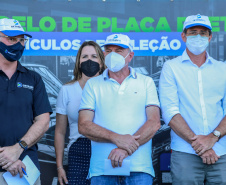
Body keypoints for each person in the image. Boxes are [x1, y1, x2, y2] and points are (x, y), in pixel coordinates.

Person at [78, 34, 161, 185]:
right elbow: (84, 125)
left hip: (139, 169)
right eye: (108, 50)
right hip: (102, 169)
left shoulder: (146, 82)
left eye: (119, 50)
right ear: (103, 55)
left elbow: (154, 122)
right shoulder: (93, 85)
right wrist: (117, 138)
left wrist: (124, 149)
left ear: (130, 56)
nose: (113, 54)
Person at [159, 14, 226, 185]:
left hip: (221, 151)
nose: (198, 37)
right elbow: (170, 111)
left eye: (203, 33)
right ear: (183, 36)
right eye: (193, 32)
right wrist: (199, 144)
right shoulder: (171, 68)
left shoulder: (222, 69)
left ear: (210, 37)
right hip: (185, 153)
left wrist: (213, 138)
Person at [0, 18, 52, 185]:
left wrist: (17, 149)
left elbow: (43, 121)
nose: (19, 44)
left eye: (22, 40)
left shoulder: (34, 78)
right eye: (12, 39)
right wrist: (6, 159)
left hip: (26, 169)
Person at [54, 41, 106, 185]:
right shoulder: (67, 90)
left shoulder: (110, 88)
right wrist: (59, 167)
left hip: (105, 149)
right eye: (85, 57)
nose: (89, 60)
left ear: (101, 62)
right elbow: (59, 132)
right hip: (77, 153)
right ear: (78, 62)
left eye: (94, 56)